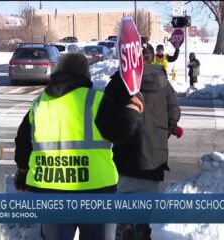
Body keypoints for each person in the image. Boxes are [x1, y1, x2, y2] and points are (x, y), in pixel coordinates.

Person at [13, 53, 142, 240]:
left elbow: (23, 141)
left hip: (51, 192)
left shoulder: (40, 103)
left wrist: (23, 170)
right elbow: (121, 133)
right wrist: (134, 111)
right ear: (85, 73)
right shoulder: (95, 100)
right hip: (96, 191)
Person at [96, 44, 182, 240]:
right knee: (148, 196)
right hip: (154, 152)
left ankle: (127, 225)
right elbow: (174, 112)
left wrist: (115, 134)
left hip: (125, 149)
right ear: (151, 59)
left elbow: (103, 118)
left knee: (125, 193)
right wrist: (163, 134)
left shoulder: (119, 82)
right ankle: (144, 227)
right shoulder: (163, 83)